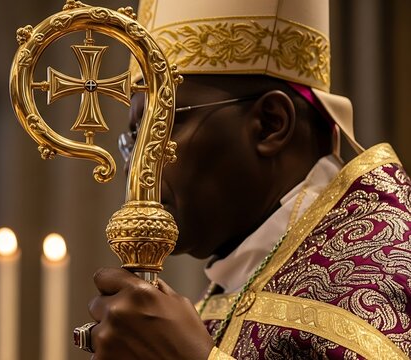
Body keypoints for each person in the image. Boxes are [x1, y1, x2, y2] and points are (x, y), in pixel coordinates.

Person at [73, 0, 411, 358]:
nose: (136, 168)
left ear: (270, 124)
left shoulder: (383, 269)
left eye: (161, 126)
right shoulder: (231, 290)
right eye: (134, 139)